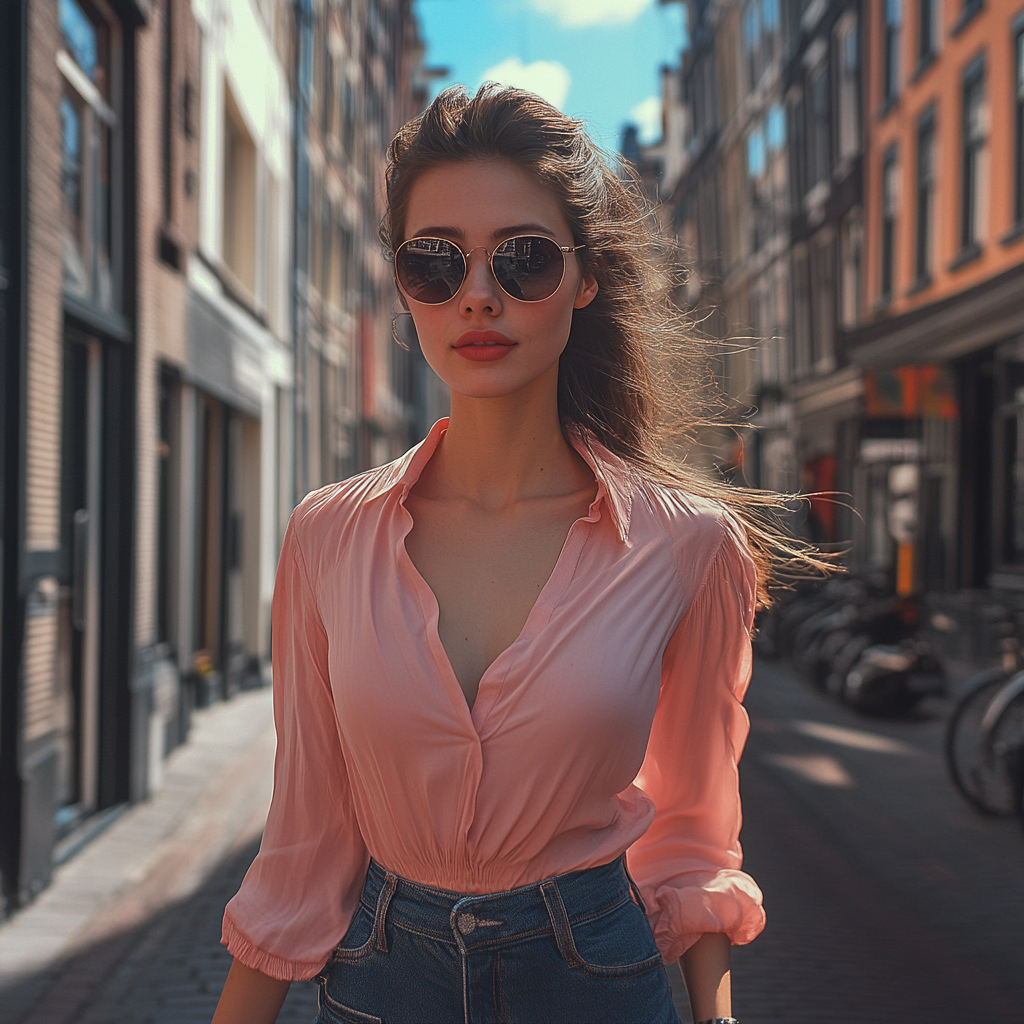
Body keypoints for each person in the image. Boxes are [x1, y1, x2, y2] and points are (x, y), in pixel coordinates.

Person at [212, 84, 814, 1024]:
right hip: (377, 983)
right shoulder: (326, 536)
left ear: (586, 278)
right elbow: (307, 835)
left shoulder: (689, 546)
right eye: (435, 262)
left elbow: (693, 838)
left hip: (598, 982)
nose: (478, 296)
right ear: (405, 286)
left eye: (525, 259)